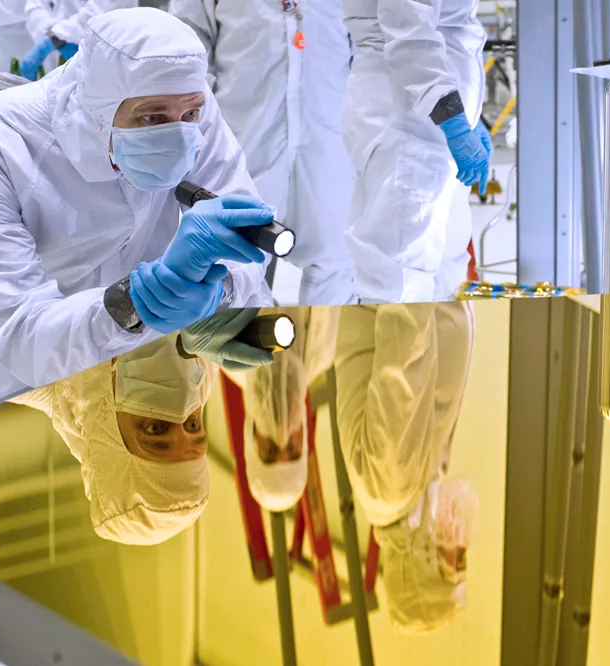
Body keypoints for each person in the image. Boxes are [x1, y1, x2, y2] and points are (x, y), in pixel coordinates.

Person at [0, 8, 276, 433]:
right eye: (151, 119)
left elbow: (245, 242)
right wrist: (138, 300)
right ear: (97, 108)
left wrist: (219, 295)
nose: (179, 134)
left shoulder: (186, 103)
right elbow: (19, 330)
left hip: (108, 348)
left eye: (190, 116)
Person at [170, 0, 357, 306]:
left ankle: (323, 353)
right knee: (234, 262)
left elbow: (365, 47)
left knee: (335, 262)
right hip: (241, 142)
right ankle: (245, 350)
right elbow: (188, 51)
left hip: (327, 142)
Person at [9, 330, 269, 545]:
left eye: (155, 429)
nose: (180, 405)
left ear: (107, 438)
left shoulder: (21, 361)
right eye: (192, 425)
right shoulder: (206, 363)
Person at [334, 302, 479, 632]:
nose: (461, 543)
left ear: (421, 566)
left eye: (454, 560)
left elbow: (405, 339)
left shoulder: (392, 487)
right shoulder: (415, 493)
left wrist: (430, 253)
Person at [342, 0, 491, 303]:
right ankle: (396, 352)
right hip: (410, 125)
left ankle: (434, 351)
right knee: (400, 279)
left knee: (446, 269)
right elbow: (409, 35)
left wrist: (469, 118)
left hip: (431, 126)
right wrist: (455, 121)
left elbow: (449, 28)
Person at [229, 306, 339, 511]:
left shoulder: (222, 349)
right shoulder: (324, 350)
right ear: (303, 437)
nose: (283, 434)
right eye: (293, 449)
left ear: (252, 438)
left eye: (270, 450)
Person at [19, 0, 137, 80]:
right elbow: (35, 5)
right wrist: (50, 31)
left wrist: (57, 36)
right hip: (56, 47)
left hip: (103, 50)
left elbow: (100, 9)